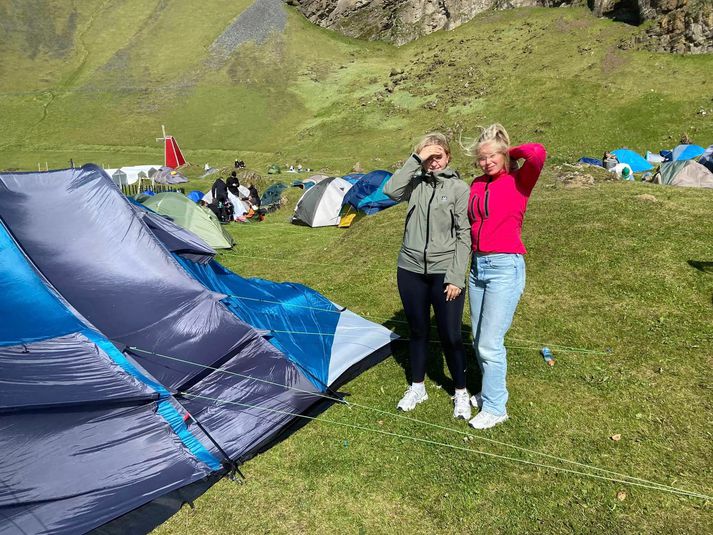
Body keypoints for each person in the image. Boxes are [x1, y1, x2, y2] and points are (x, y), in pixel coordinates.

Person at [383, 133, 472, 420]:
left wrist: (457, 276)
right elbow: (389, 191)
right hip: (409, 269)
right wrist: (416, 160)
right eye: (428, 157)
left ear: (448, 157)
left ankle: (460, 392)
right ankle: (418, 386)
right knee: (418, 331)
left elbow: (464, 235)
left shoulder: (459, 188)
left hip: (444, 272)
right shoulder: (414, 184)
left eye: (438, 156)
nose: (433, 162)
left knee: (450, 334)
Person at [465, 124, 546, 429]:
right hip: (477, 267)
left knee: (490, 343)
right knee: (477, 339)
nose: (486, 163)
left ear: (503, 154)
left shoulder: (519, 180)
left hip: (504, 267)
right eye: (481, 158)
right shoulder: (476, 184)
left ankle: (497, 408)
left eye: (491, 157)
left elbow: (537, 154)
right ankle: (488, 394)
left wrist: (507, 151)